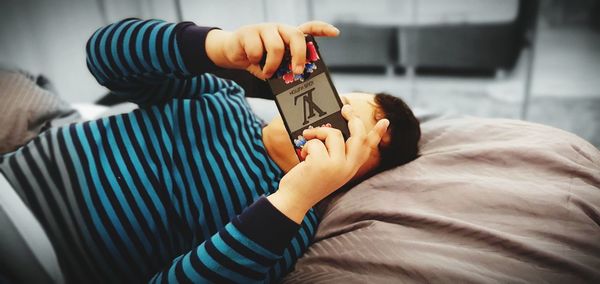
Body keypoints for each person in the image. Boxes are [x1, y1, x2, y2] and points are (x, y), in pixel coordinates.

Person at [0, 18, 420, 283]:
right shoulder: (220, 94)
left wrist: (294, 197)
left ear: (348, 180)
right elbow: (102, 57)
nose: (328, 128)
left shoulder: (288, 223)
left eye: (354, 141)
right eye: (338, 106)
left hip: (34, 257)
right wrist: (216, 47)